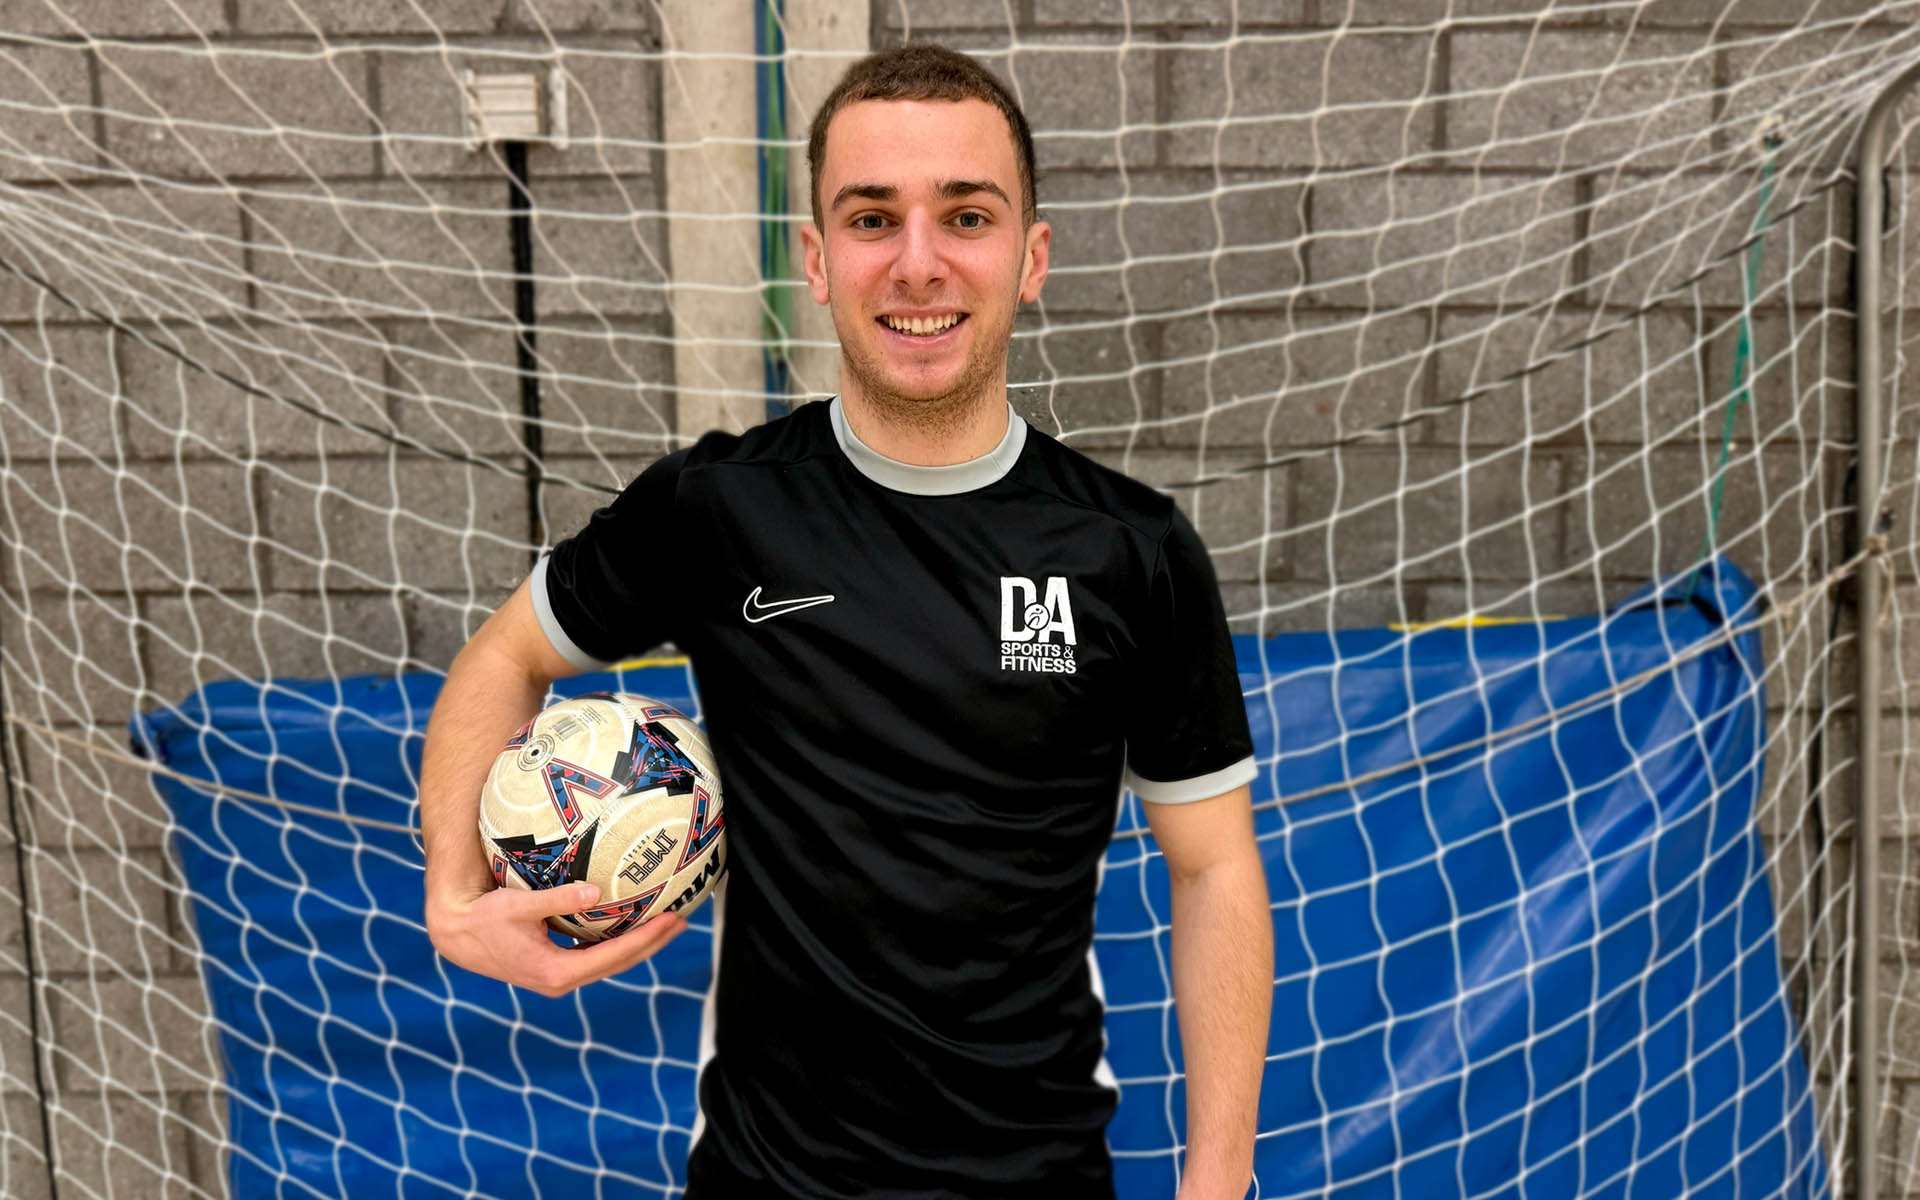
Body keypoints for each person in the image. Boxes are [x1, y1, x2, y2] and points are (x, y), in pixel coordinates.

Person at [420, 43, 1272, 1200]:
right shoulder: (722, 507)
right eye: (873, 219)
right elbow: (508, 655)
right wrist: (454, 897)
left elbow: (1215, 868)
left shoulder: (1130, 550)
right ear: (818, 261)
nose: (918, 263)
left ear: (1031, 258)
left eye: (964, 216)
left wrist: (1217, 1183)